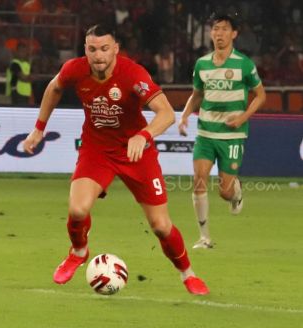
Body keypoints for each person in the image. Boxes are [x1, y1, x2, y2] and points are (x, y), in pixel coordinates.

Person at [23, 24, 209, 295]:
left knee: (160, 226)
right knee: (77, 210)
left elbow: (166, 113)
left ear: (116, 50)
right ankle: (78, 251)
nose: (98, 55)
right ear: (85, 50)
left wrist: (143, 136)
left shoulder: (133, 74)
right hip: (97, 151)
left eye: (104, 48)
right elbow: (54, 88)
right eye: (92, 49)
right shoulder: (75, 69)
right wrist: (38, 128)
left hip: (137, 153)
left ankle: (188, 275)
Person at [178, 14, 265, 249]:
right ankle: (204, 237)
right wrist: (185, 116)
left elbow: (261, 95)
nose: (219, 34)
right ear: (211, 33)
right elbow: (196, 95)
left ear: (234, 34)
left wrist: (243, 117)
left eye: (224, 29)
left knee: (224, 193)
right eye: (215, 29)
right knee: (199, 181)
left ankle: (235, 192)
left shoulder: (244, 64)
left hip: (232, 135)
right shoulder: (202, 64)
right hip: (206, 132)